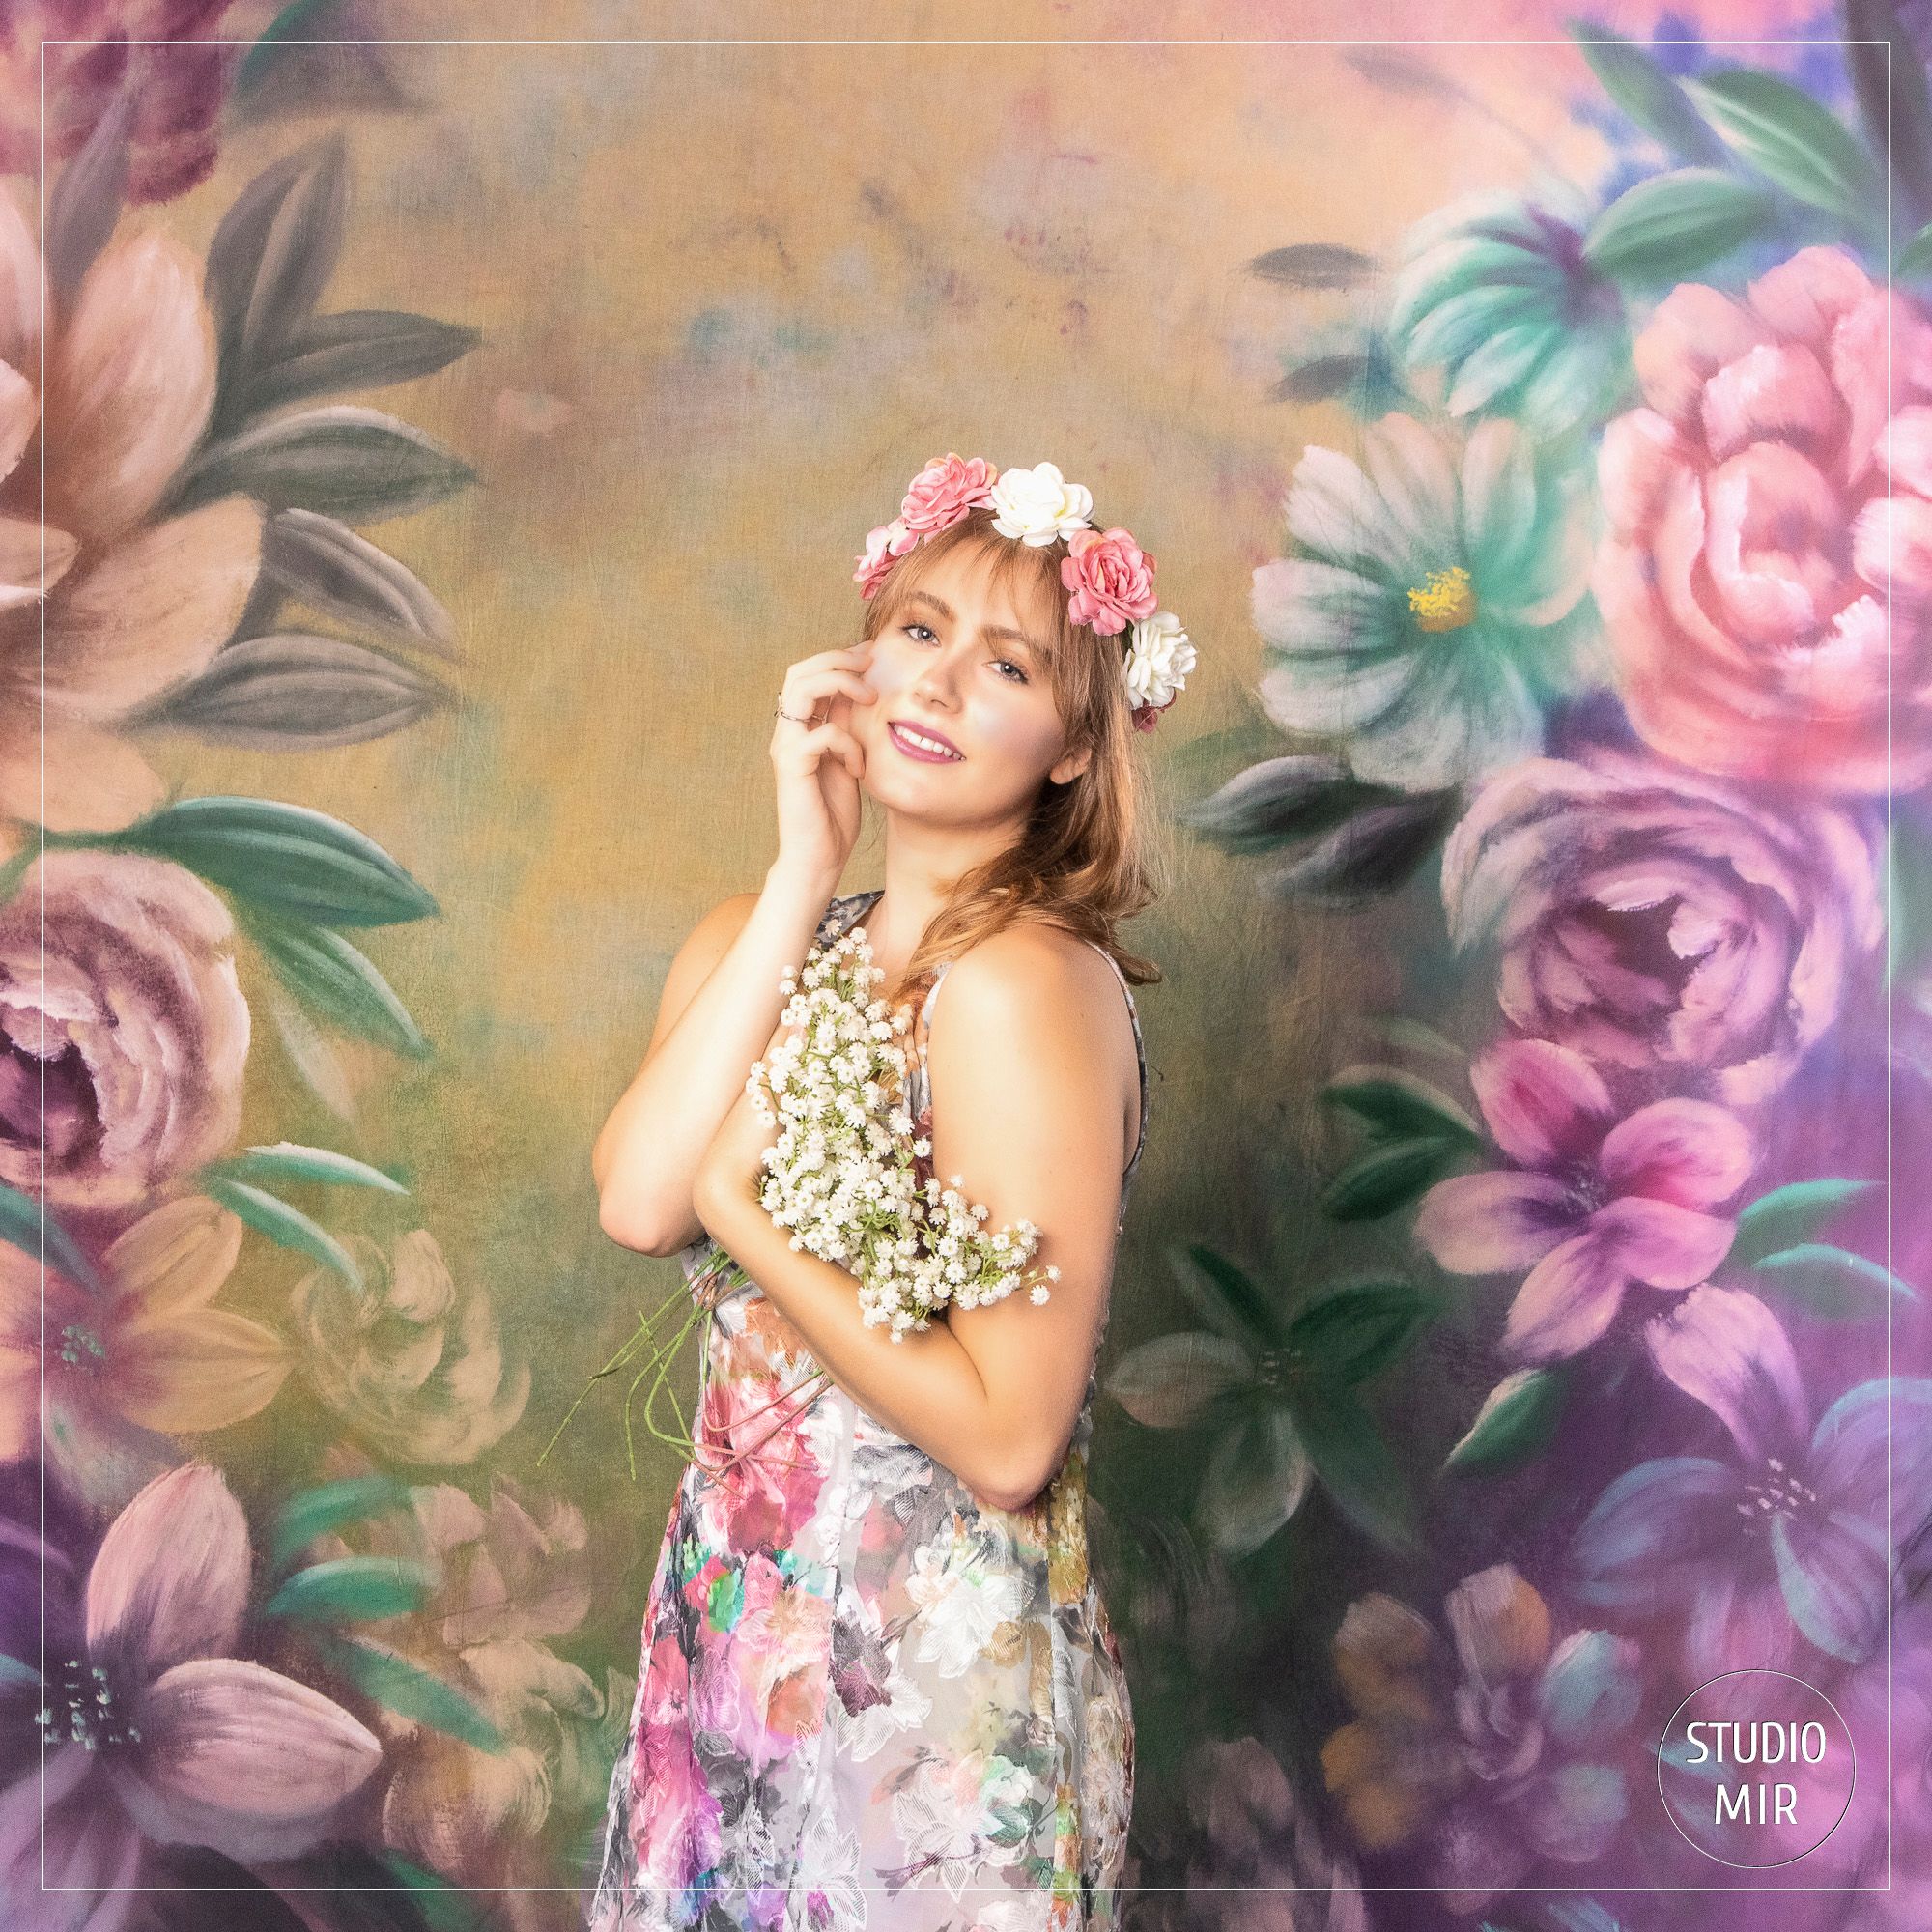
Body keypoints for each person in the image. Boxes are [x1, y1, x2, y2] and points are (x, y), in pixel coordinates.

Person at [584, 454, 1196, 1930]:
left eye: (1006, 666)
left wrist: (754, 1215)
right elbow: (640, 1199)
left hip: (933, 1707)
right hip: (736, 1655)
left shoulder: (1027, 989)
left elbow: (1008, 1439)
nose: (936, 687)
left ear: (1068, 744)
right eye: (917, 632)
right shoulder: (763, 932)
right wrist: (806, 865)